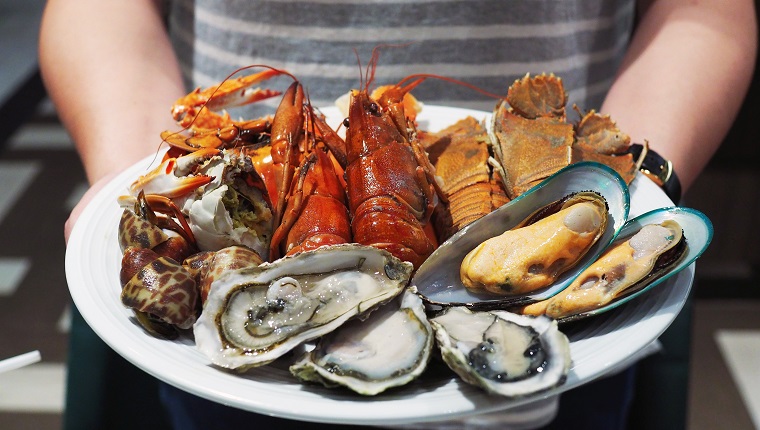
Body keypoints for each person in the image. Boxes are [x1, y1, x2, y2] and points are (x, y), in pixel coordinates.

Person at [40, 0, 757, 429]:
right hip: (230, 384)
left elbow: (703, 10)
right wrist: (127, 175)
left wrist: (632, 188)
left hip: (563, 365)